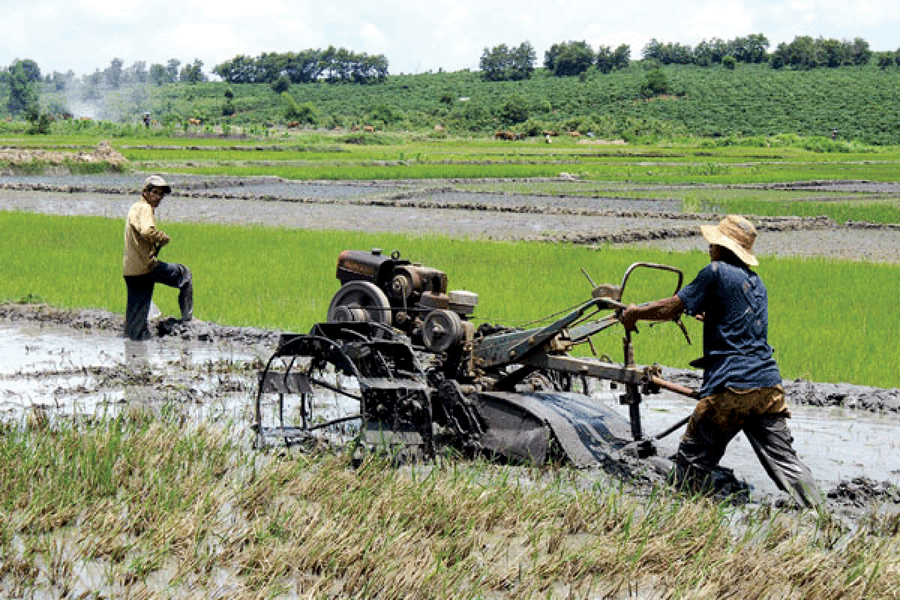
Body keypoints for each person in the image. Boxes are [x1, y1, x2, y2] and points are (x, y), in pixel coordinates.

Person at [620, 215, 821, 508]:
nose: (708, 248)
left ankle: (686, 521)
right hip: (768, 387)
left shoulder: (714, 272)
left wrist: (635, 313)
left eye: (712, 243)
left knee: (693, 460)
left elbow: (672, 307)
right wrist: (709, 314)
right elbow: (738, 319)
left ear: (719, 246)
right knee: (786, 463)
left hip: (732, 387)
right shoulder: (756, 283)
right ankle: (821, 515)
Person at [122, 175, 193, 341]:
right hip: (146, 268)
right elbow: (147, 231)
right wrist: (161, 238)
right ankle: (188, 320)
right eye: (155, 192)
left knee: (135, 324)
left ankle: (134, 351)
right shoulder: (145, 208)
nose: (158, 197)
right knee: (184, 274)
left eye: (161, 194)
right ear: (145, 192)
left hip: (131, 271)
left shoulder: (134, 208)